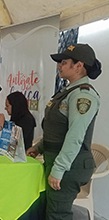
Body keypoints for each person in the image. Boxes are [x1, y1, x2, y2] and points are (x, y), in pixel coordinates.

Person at [26, 44, 101, 220]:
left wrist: (59, 169)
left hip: (70, 165)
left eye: (64, 62)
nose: (59, 65)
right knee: (48, 210)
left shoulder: (83, 96)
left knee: (57, 214)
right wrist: (40, 147)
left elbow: (75, 135)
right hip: (57, 159)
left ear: (79, 66)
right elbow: (57, 129)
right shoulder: (68, 92)